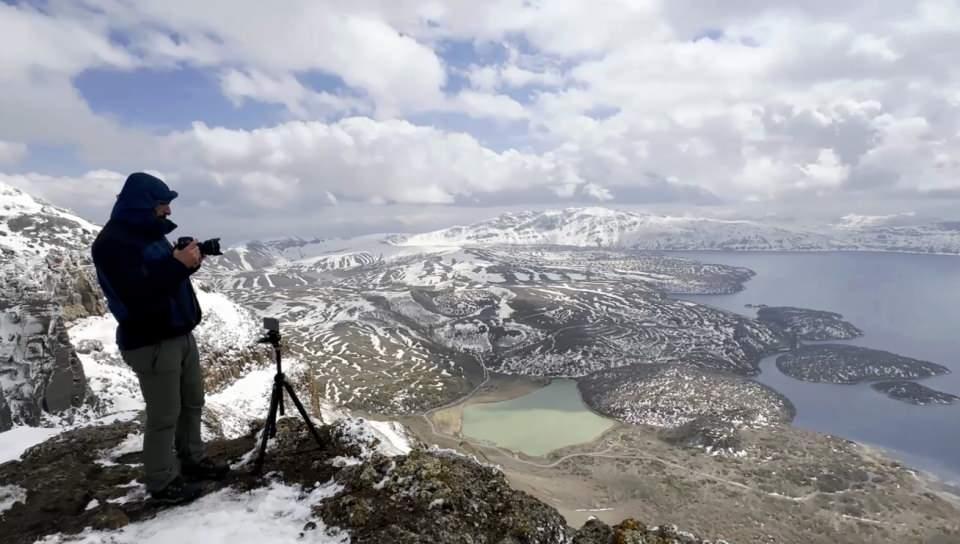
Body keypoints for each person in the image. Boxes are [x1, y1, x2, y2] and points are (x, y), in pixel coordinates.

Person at [91, 172, 228, 505]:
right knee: (165, 414)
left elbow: (162, 279)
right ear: (143, 205)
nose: (168, 211)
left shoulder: (150, 235)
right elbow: (136, 295)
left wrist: (188, 263)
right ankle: (162, 481)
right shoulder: (112, 244)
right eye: (163, 204)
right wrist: (178, 266)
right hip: (151, 340)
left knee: (192, 402)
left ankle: (192, 460)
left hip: (179, 333)